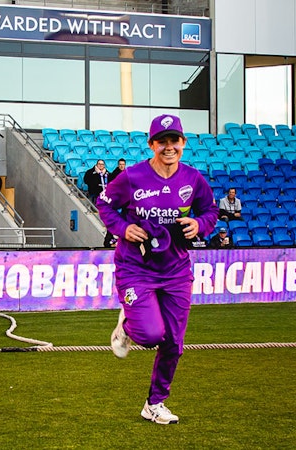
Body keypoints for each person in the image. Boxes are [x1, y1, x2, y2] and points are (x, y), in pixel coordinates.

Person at [98, 114, 219, 425]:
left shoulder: (193, 179)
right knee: (150, 333)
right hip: (136, 267)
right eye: (162, 141)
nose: (169, 147)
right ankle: (127, 326)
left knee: (174, 343)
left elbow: (210, 211)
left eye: (174, 140)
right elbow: (105, 204)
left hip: (176, 270)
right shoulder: (131, 177)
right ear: (151, 144)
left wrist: (199, 224)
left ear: (183, 143)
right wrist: (123, 228)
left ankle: (155, 403)